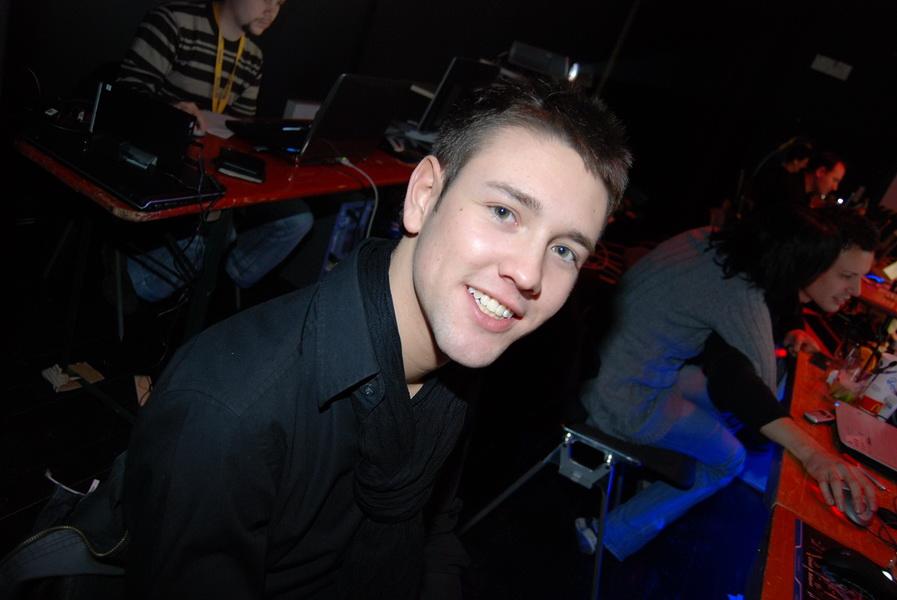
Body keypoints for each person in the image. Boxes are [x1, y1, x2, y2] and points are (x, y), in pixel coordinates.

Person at [122, 78, 632, 598]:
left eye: (564, 250)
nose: (529, 274)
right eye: (504, 212)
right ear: (423, 196)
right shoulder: (228, 413)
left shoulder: (457, 355)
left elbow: (435, 528)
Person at [579, 204, 879, 561]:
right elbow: (749, 398)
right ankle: (608, 535)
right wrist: (815, 455)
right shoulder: (741, 293)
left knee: (720, 412)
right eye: (847, 276)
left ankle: (651, 478)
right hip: (618, 399)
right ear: (810, 262)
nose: (856, 290)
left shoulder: (712, 241)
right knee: (731, 458)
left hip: (593, 364)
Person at [116, 0, 314, 303]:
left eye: (279, 3)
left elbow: (241, 127)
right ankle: (129, 285)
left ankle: (219, 280)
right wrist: (173, 112)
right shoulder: (175, 21)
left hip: (215, 169)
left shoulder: (252, 55)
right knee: (213, 237)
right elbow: (126, 95)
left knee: (296, 220)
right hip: (166, 163)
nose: (272, 10)